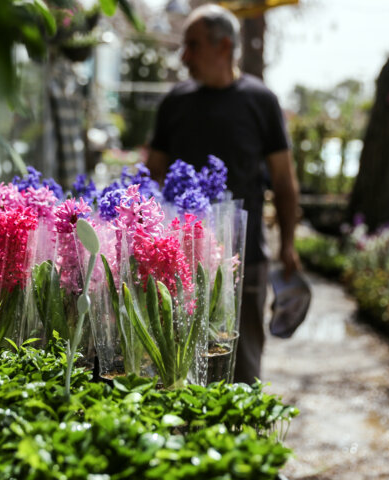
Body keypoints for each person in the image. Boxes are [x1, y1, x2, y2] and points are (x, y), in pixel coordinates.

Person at [146, 4, 302, 384]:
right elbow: (152, 174)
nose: (183, 56)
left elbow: (283, 179)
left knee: (243, 365)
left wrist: (288, 245)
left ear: (224, 46)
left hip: (244, 260)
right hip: (178, 261)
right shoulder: (175, 102)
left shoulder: (260, 100)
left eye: (193, 45)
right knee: (178, 367)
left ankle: (242, 440)